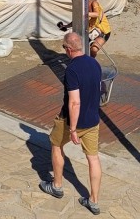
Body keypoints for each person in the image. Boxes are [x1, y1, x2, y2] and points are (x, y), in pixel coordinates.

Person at [40, 31, 103, 214]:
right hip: (93, 120)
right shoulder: (95, 64)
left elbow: (74, 102)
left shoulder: (72, 70)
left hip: (70, 121)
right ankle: (94, 201)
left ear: (68, 49)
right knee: (93, 158)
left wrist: (73, 129)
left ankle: (57, 186)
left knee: (56, 145)